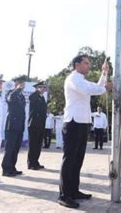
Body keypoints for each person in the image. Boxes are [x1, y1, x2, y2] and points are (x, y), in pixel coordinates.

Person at [58, 55, 111, 209]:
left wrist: (104, 73)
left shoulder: (81, 78)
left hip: (82, 123)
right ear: (77, 65)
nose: (89, 65)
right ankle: (64, 195)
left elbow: (96, 86)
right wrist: (105, 88)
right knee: (69, 160)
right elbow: (91, 89)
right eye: (86, 63)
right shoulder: (73, 78)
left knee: (77, 160)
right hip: (73, 123)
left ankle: (74, 191)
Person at [1, 75, 26, 177]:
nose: (22, 85)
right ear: (15, 84)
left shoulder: (21, 96)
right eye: (19, 83)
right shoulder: (10, 93)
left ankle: (12, 168)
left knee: (15, 149)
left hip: (19, 126)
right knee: (9, 148)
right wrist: (17, 89)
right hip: (11, 126)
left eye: (22, 83)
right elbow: (11, 99)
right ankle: (6, 169)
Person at [27, 81, 47, 170]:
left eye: (43, 87)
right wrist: (37, 92)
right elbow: (32, 98)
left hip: (41, 124)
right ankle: (31, 163)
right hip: (34, 123)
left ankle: (36, 161)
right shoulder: (34, 96)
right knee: (33, 144)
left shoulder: (42, 97)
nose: (43, 89)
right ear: (37, 88)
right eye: (41, 87)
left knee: (38, 144)